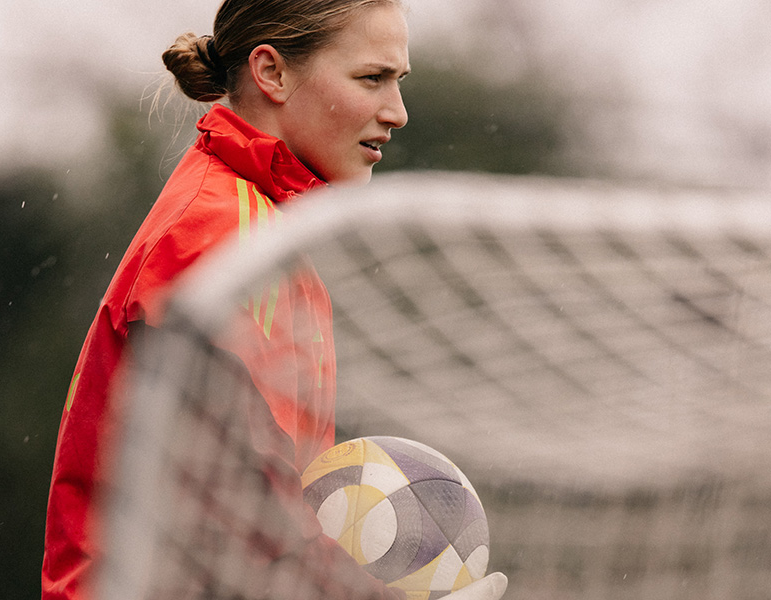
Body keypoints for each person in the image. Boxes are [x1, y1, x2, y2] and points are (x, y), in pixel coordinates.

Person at [42, 1, 507, 599]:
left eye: (400, 81)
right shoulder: (216, 234)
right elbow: (246, 505)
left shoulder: (269, 234)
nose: (397, 112)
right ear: (272, 73)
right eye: (373, 78)